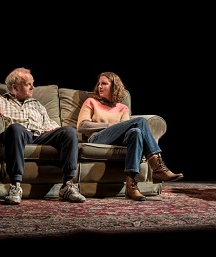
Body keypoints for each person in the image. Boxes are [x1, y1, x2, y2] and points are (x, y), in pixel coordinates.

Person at [0, 67, 86, 205]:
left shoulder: (37, 104)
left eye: (33, 83)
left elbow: (49, 123)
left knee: (69, 131)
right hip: (19, 134)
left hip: (40, 134)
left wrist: (54, 130)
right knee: (16, 128)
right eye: (28, 84)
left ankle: (67, 185)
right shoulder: (0, 99)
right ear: (15, 88)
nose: (32, 87)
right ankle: (15, 186)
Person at [77, 71, 183, 201]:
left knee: (136, 132)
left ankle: (131, 184)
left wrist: (118, 127)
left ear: (114, 86)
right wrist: (109, 126)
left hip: (118, 140)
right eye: (99, 84)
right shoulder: (91, 101)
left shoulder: (123, 108)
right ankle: (157, 164)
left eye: (104, 84)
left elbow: (128, 130)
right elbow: (82, 126)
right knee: (140, 121)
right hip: (97, 138)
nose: (99, 86)